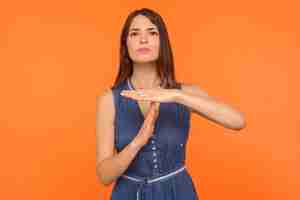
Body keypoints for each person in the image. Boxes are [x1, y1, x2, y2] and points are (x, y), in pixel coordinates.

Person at [96, 8, 246, 200]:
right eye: (135, 34)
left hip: (178, 193)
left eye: (152, 32)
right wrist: (137, 142)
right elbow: (104, 175)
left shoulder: (185, 93)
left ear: (162, 42)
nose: (143, 39)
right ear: (125, 45)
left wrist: (176, 95)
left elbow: (237, 121)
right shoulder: (109, 99)